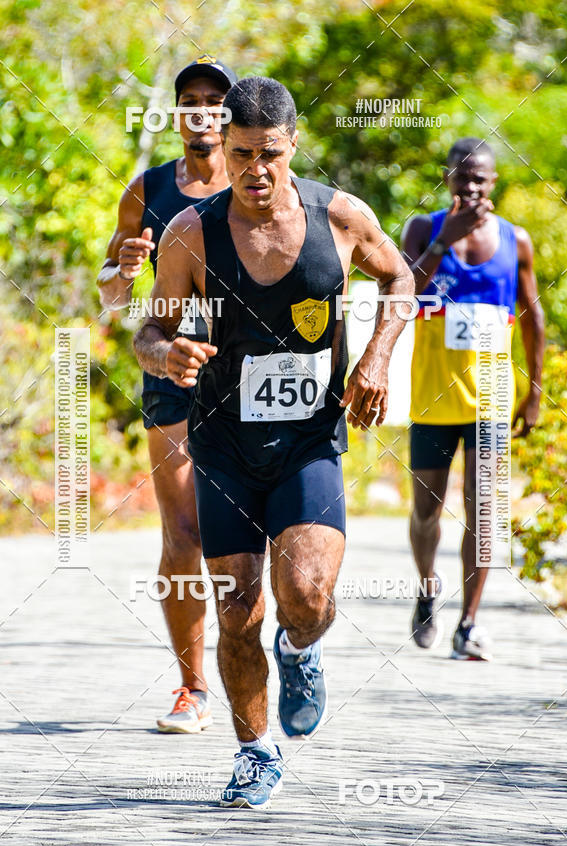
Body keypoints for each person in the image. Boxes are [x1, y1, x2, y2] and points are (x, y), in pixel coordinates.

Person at [134, 75, 414, 807]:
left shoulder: (342, 217)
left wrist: (378, 355)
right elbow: (150, 329)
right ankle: (256, 752)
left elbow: (401, 277)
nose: (255, 171)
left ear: (293, 146)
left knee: (308, 594)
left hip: (309, 439)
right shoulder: (191, 234)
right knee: (237, 609)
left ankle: (301, 649)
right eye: (240, 154)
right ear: (220, 150)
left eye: (269, 154)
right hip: (223, 445)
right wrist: (165, 355)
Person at [97, 56, 238, 733]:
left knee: (243, 532)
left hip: (243, 373)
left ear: (231, 113)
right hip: (170, 366)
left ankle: (265, 650)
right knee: (182, 530)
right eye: (192, 100)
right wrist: (121, 269)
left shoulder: (256, 176)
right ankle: (193, 687)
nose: (203, 110)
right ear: (178, 113)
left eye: (216, 99)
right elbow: (112, 290)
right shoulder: (148, 188)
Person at [402, 137, 544, 660]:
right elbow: (402, 292)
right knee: (426, 512)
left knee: (483, 514)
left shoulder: (515, 240)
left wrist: (533, 394)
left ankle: (468, 622)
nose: (471, 187)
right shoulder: (423, 229)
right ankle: (426, 587)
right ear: (447, 180)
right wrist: (444, 243)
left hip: (490, 401)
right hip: (431, 400)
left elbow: (534, 318)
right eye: (462, 178)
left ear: (494, 183)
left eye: (480, 179)